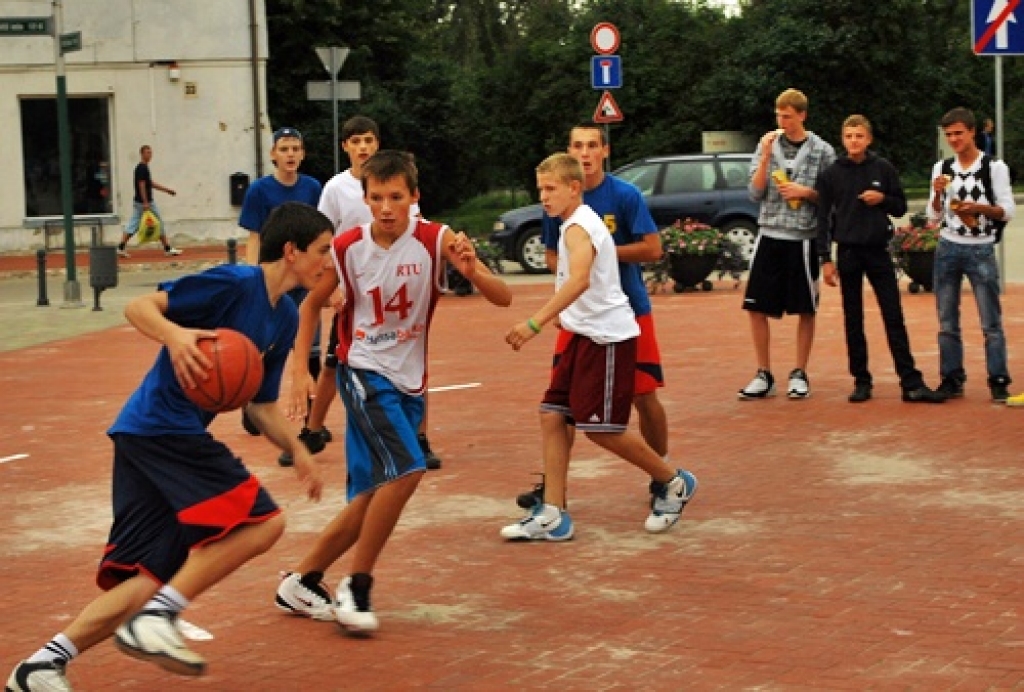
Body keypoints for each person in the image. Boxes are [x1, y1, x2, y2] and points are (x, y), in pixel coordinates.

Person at [5, 202, 331, 692]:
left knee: (149, 575)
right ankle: (157, 620)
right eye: (323, 250)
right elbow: (139, 307)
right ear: (292, 250)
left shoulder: (284, 317)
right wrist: (176, 338)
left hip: (145, 436)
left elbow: (260, 405)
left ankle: (40, 666)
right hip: (164, 428)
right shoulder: (233, 283)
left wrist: (298, 447)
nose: (329, 262)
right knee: (264, 524)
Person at [273, 150, 511, 634]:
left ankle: (301, 580)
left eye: (395, 197)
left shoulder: (435, 239)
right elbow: (308, 307)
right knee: (408, 468)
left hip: (409, 380)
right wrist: (300, 368)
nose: (385, 207)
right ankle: (356, 585)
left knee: (372, 494)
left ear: (414, 198)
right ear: (363, 199)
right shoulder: (347, 247)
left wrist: (473, 270)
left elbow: (502, 296)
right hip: (362, 369)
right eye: (376, 197)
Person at [500, 153, 697, 542]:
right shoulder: (572, 222)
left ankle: (673, 481)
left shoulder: (578, 227)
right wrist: (567, 315)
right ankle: (554, 514)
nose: (544, 196)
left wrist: (534, 322)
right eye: (540, 188)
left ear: (574, 188)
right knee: (553, 415)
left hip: (606, 339)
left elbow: (580, 281)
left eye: (551, 188)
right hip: (582, 334)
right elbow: (574, 283)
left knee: (602, 429)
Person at [516, 123, 668, 509]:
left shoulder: (623, 195)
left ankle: (663, 475)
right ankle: (553, 495)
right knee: (557, 407)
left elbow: (653, 249)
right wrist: (564, 296)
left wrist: (599, 256)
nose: (585, 152)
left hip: (625, 310)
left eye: (591, 145)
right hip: (578, 316)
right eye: (577, 145)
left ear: (604, 151)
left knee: (641, 395)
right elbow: (556, 259)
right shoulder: (556, 199)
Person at [309, 116, 442, 469]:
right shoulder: (336, 189)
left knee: (412, 354)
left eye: (369, 139)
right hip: (355, 281)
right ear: (345, 147)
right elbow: (323, 235)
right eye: (356, 141)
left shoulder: (397, 178)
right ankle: (313, 427)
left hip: (395, 280)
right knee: (335, 362)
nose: (363, 146)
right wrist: (330, 288)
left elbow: (421, 227)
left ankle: (420, 436)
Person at [816, 115, 946, 404]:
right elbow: (822, 218)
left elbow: (900, 207)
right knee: (853, 318)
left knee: (893, 315)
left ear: (869, 139)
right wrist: (825, 258)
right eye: (849, 136)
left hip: (878, 251)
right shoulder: (831, 173)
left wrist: (882, 199)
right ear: (842, 138)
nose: (854, 141)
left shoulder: (882, 168)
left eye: (859, 136)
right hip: (848, 252)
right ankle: (861, 380)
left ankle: (910, 382)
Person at [739, 88, 836, 400]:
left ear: (802, 116)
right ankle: (764, 373)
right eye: (779, 115)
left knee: (806, 309)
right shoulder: (765, 145)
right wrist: (766, 157)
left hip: (803, 239)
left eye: (788, 116)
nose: (782, 121)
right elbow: (754, 193)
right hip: (769, 234)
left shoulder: (822, 150)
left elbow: (833, 198)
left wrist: (805, 192)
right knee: (756, 308)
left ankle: (799, 372)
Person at [237, 126, 325, 463]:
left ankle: (309, 420)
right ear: (273, 154)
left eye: (296, 148)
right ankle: (251, 402)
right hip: (274, 281)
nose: (290, 154)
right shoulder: (260, 191)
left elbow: (319, 234)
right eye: (284, 148)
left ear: (302, 154)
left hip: (304, 280)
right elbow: (255, 236)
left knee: (310, 347)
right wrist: (252, 275)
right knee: (264, 346)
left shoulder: (312, 187)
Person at [928, 107, 1015, 402]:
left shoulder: (993, 167)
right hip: (948, 246)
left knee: (990, 319)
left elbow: (1007, 210)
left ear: (971, 132)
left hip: (981, 247)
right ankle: (952, 377)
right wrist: (938, 193)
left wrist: (978, 208)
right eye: (949, 134)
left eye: (958, 133)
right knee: (946, 319)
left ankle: (998, 377)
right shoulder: (942, 168)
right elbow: (933, 215)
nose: (953, 139)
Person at [117, 145, 182, 258]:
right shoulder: (142, 168)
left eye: (150, 153)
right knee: (159, 222)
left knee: (133, 225)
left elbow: (149, 183)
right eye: (147, 153)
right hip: (145, 203)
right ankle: (167, 248)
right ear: (141, 154)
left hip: (139, 202)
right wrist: (146, 202)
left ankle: (121, 247)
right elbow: (141, 185)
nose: (149, 155)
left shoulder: (143, 168)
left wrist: (166, 190)